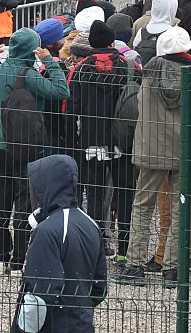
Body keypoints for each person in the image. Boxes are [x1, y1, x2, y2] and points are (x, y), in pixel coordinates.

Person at [115, 26, 191, 287]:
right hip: (184, 149)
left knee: (142, 207)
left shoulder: (149, 73)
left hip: (151, 149)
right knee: (181, 209)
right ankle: (173, 269)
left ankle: (135, 265)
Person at [0, 27, 69, 275]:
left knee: (0, 201)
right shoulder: (28, 74)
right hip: (29, 147)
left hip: (3, 146)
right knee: (24, 203)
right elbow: (61, 91)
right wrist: (49, 62)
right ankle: (19, 260)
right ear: (32, 50)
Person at [13, 155, 107, 333]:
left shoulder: (46, 231)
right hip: (83, 325)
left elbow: (40, 297)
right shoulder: (91, 224)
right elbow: (99, 288)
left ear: (47, 186)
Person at [68, 20, 132, 243]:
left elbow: (70, 109)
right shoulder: (127, 66)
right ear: (112, 42)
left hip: (90, 141)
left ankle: (96, 243)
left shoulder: (80, 70)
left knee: (94, 193)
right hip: (122, 141)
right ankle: (124, 247)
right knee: (124, 193)